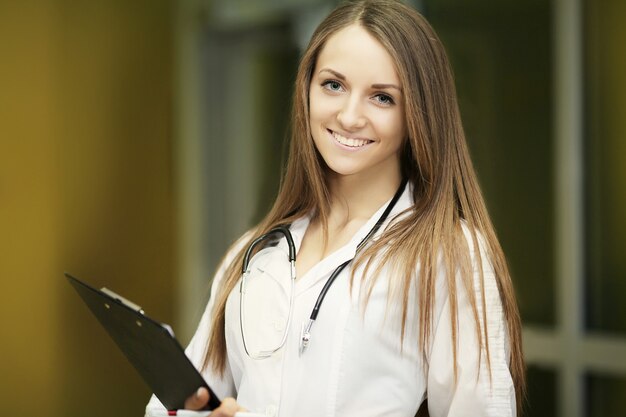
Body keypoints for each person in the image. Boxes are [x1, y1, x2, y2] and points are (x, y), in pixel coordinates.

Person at [146, 0, 525, 416]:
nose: (349, 116)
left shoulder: (447, 254)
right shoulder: (253, 254)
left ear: (418, 114)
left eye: (381, 97)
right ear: (306, 88)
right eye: (333, 85)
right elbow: (173, 405)